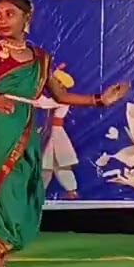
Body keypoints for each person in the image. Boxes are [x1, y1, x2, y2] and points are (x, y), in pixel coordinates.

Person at [0, 0, 129, 267]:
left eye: (9, 14)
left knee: (26, 194)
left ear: (27, 18)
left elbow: (60, 95)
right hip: (0, 125)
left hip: (28, 126)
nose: (1, 20)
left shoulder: (41, 58)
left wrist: (100, 100)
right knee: (9, 194)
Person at [41, 65, 81, 199]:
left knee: (61, 165)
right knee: (45, 166)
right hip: (48, 132)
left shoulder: (62, 98)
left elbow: (43, 103)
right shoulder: (55, 97)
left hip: (56, 134)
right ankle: (38, 193)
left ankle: (71, 191)